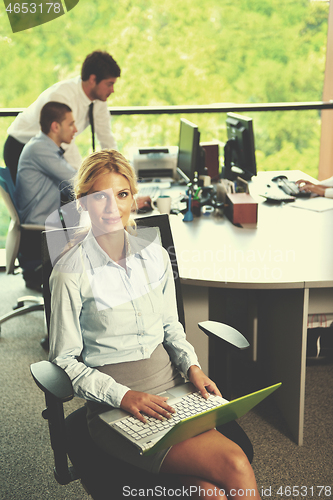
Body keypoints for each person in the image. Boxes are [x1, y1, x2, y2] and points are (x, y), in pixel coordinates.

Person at [48, 149, 261, 500]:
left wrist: (193, 368)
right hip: (116, 407)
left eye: (121, 194)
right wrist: (123, 395)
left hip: (175, 391)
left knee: (209, 493)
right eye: (99, 197)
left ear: (133, 197)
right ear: (83, 203)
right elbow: (65, 361)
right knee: (235, 463)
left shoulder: (154, 255)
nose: (111, 207)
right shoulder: (70, 271)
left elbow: (171, 327)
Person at [4, 50, 120, 182]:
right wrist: (83, 179)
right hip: (21, 147)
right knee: (69, 191)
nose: (112, 90)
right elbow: (66, 145)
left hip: (50, 151)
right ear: (93, 79)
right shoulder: (62, 97)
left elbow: (106, 138)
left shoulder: (99, 99)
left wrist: (119, 170)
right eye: (109, 84)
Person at [15, 101, 77, 289]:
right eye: (71, 124)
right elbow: (75, 181)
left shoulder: (46, 147)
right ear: (55, 126)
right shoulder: (40, 149)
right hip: (39, 234)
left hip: (47, 226)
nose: (75, 129)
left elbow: (70, 186)